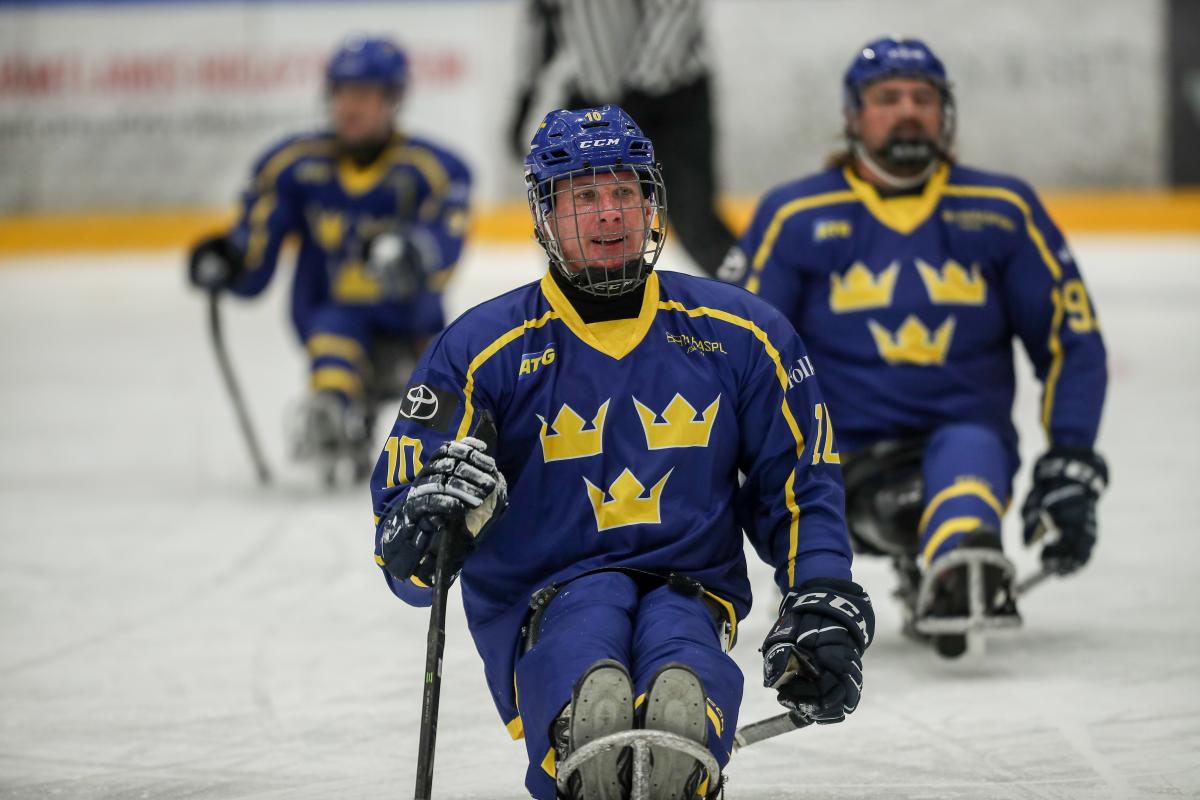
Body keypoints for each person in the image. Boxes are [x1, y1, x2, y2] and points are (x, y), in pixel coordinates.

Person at [371, 106, 873, 799]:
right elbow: (405, 534)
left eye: (624, 193)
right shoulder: (481, 352)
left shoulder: (743, 334)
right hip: (545, 595)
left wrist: (820, 591)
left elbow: (799, 484)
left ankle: (678, 747)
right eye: (584, 197)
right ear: (545, 214)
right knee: (585, 639)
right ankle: (588, 742)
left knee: (682, 663)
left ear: (650, 204)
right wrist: (421, 527)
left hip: (688, 586)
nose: (609, 215)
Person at [721, 36, 1108, 657]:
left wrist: (1071, 456)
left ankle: (961, 560)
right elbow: (731, 352)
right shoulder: (796, 215)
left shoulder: (1003, 210)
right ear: (853, 115)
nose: (908, 111)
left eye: (923, 98)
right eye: (888, 98)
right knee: (868, 499)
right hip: (833, 452)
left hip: (963, 434)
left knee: (967, 461)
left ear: (944, 113)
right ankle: (817, 578)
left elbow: (1072, 340)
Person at [187, 34, 471, 481]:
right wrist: (231, 259)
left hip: (410, 324)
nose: (348, 106)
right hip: (328, 318)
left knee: (444, 410)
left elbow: (443, 250)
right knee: (335, 329)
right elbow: (256, 240)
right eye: (340, 92)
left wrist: (410, 253)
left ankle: (434, 436)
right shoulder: (294, 165)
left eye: (363, 93)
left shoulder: (434, 169)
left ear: (392, 99)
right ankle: (330, 408)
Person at [507, 0, 736, 277]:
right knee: (568, 215)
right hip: (594, 97)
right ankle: (573, 304)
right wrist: (525, 95)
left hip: (671, 98)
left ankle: (754, 292)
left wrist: (639, 89)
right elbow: (542, 19)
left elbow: (678, 8)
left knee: (694, 220)